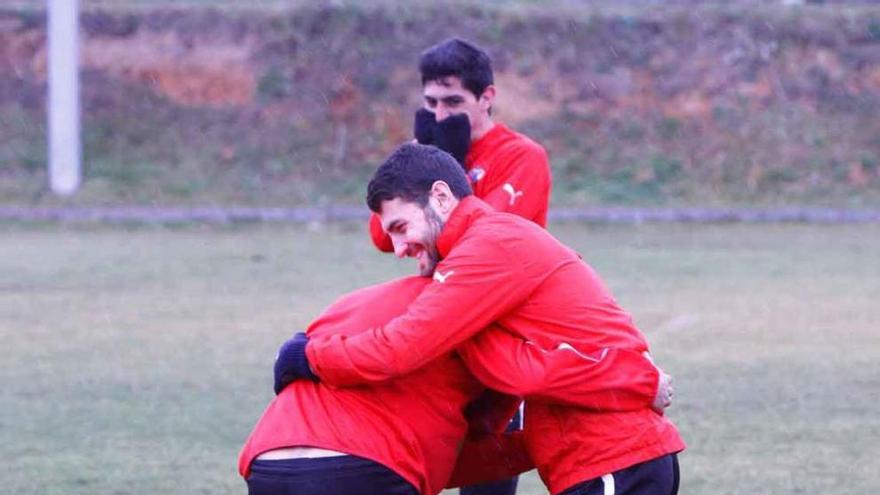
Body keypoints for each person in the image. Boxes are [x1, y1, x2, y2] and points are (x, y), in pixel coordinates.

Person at [276, 144, 686, 495]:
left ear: (440, 197)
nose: (398, 248)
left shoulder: (489, 247)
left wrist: (310, 358)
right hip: (602, 459)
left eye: (401, 228)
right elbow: (515, 370)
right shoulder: (481, 253)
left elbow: (400, 347)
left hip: (614, 457)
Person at [241, 275, 670, 494]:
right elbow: (535, 374)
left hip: (269, 462)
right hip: (361, 465)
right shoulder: (471, 314)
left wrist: (299, 355)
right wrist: (642, 380)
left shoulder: (357, 300)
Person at [368, 37, 553, 495]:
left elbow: (491, 242)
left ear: (486, 97)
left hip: (496, 322)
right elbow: (380, 237)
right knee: (425, 444)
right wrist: (427, 159)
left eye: (454, 101)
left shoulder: (521, 156)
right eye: (431, 102)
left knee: (488, 458)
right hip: (439, 318)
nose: (442, 114)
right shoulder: (424, 149)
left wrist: (450, 164)